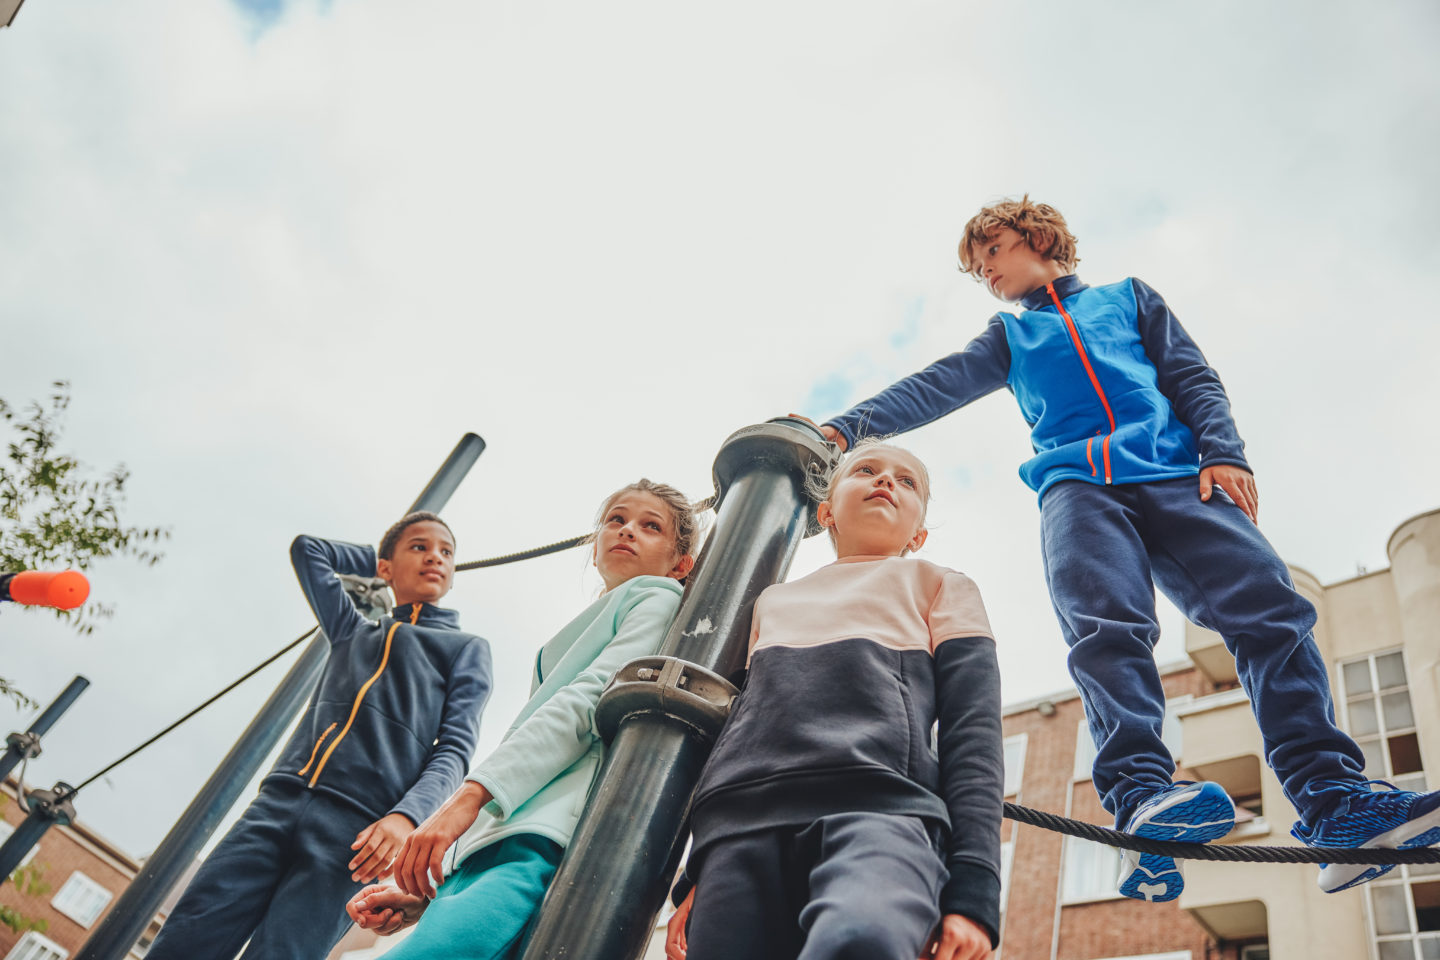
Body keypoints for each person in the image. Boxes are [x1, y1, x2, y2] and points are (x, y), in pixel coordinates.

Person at [816, 195, 1440, 900]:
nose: (985, 272)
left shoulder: (1128, 299)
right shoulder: (1009, 337)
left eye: (991, 251)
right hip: (1079, 489)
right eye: (975, 267)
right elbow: (936, 386)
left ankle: (1336, 803)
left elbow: (1190, 377)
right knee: (1107, 629)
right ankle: (1144, 794)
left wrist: (1223, 452)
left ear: (1037, 236)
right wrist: (842, 430)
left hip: (1179, 475)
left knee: (1272, 611)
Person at [668, 441, 1001, 960]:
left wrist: (974, 890)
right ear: (826, 514)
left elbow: (974, 734)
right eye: (866, 470)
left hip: (881, 810)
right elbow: (737, 726)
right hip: (742, 829)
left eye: (907, 481)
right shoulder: (770, 603)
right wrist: (696, 868)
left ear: (919, 534)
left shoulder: (938, 584)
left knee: (862, 940)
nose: (886, 481)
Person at [345, 479, 700, 960]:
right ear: (594, 545)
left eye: (650, 526)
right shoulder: (593, 622)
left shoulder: (655, 597)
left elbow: (590, 699)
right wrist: (429, 893)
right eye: (615, 519)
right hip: (495, 849)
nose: (627, 530)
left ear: (681, 564)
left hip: (538, 846)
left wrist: (466, 799)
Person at [147, 512, 491, 959]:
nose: (436, 558)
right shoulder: (352, 631)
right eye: (420, 547)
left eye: (447, 552)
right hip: (275, 807)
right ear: (385, 568)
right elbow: (309, 550)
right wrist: (381, 558)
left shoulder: (465, 649)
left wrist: (405, 818)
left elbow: (454, 751)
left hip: (358, 836)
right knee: (185, 939)